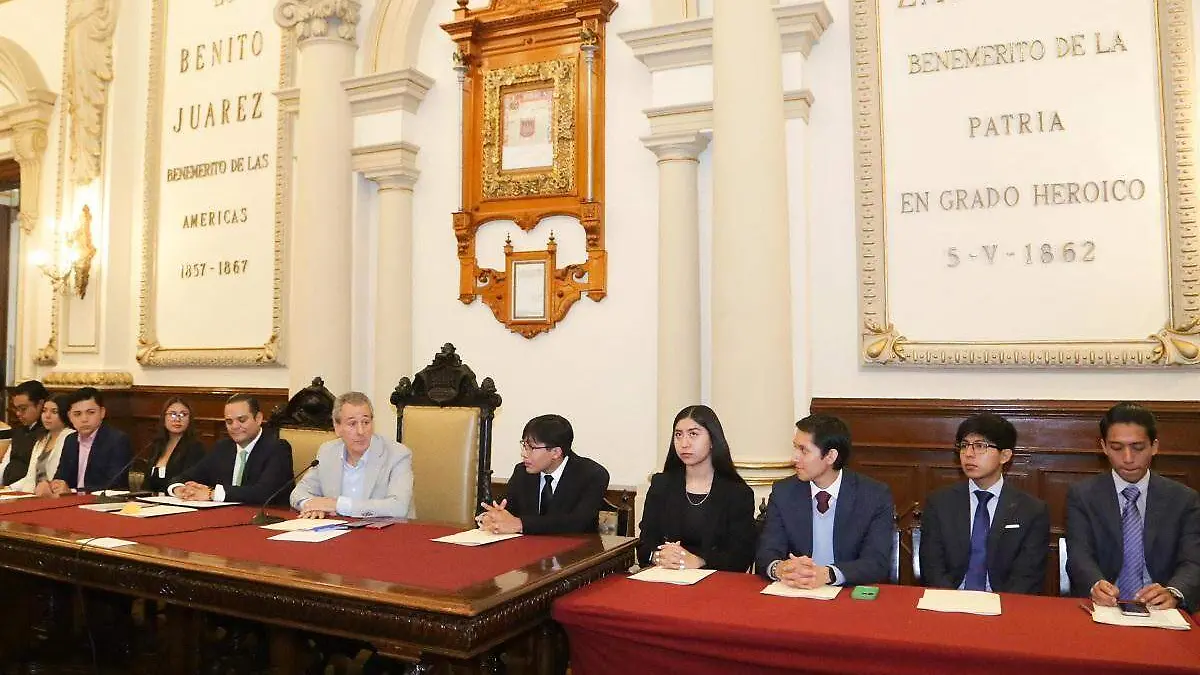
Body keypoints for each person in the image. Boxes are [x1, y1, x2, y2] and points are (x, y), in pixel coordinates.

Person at [1067, 402, 1200, 611]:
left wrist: (1174, 592)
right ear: (1103, 447)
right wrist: (1095, 584)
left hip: (1161, 609)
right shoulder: (1084, 495)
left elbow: (1193, 562)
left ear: (1154, 446)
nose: (1128, 459)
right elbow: (1079, 555)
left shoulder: (1183, 499)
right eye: (1117, 448)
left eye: (1137, 448)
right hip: (1104, 607)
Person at [756, 414, 894, 588]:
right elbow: (766, 553)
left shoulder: (874, 495)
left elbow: (876, 562)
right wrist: (781, 568)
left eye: (803, 450)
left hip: (848, 594)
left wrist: (828, 574)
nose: (794, 458)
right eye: (795, 448)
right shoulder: (784, 492)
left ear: (830, 456)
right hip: (796, 593)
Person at [919, 413, 1050, 594]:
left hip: (1005, 606)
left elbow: (1027, 577)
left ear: (1005, 455)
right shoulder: (939, 503)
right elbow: (932, 567)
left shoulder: (1031, 510)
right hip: (949, 602)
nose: (968, 454)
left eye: (980, 446)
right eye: (964, 446)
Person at [637, 405, 756, 572]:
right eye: (678, 435)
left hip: (714, 584)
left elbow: (741, 557)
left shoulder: (737, 493)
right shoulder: (662, 485)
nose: (684, 443)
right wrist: (657, 556)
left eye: (693, 434)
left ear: (713, 440)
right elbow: (644, 544)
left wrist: (700, 561)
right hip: (665, 578)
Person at [290, 391, 415, 519]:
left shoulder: (398, 455)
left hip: (384, 534)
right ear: (337, 427)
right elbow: (298, 493)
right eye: (352, 424)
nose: (361, 431)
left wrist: (337, 505)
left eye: (366, 422)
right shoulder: (327, 452)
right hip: (335, 532)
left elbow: (398, 507)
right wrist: (311, 506)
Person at [479, 414, 610, 535]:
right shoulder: (522, 472)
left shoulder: (593, 475)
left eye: (531, 448)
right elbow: (504, 509)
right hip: (528, 551)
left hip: (576, 555)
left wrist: (520, 524)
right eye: (524, 445)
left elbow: (577, 523)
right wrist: (491, 517)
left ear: (556, 452)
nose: (524, 453)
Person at [168, 394, 293, 505]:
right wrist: (180, 489)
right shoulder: (222, 448)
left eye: (242, 420)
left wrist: (212, 494)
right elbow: (185, 476)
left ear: (258, 418)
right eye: (229, 421)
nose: (235, 426)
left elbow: (264, 492)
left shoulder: (277, 448)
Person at [47, 387, 133, 494]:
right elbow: (61, 477)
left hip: (104, 504)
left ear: (102, 412)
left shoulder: (117, 440)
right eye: (77, 414)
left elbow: (114, 485)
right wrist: (51, 485)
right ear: (69, 416)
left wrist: (73, 491)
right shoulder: (70, 440)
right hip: (71, 503)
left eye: (91, 412)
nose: (84, 419)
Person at [9, 394, 74, 494]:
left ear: (65, 414)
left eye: (54, 412)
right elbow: (30, 475)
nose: (47, 416)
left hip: (54, 494)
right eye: (44, 411)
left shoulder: (70, 438)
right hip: (35, 493)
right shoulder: (42, 438)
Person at [142, 397, 206, 495]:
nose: (177, 419)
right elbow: (146, 485)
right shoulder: (157, 445)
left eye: (183, 414)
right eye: (172, 414)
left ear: (190, 419)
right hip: (150, 504)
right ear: (164, 418)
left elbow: (189, 482)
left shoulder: (195, 448)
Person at [0, 380, 49, 486]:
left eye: (23, 409)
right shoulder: (19, 431)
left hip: (25, 490)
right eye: (16, 409)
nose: (18, 413)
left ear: (40, 404)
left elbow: (34, 475)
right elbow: (6, 463)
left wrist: (10, 489)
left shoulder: (46, 434)